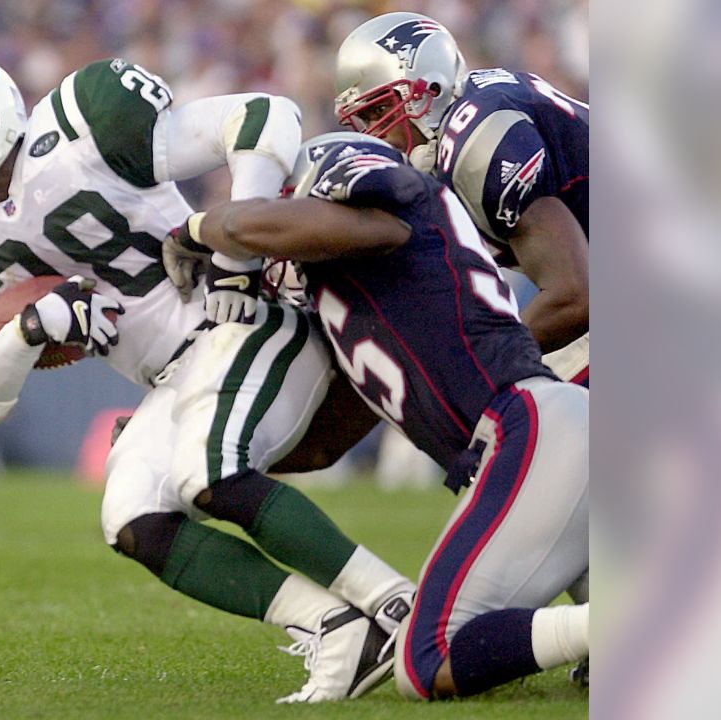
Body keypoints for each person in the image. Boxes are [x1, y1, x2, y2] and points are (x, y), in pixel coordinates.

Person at [0, 53, 414, 703]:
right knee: (133, 518)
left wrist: (237, 252)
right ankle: (337, 631)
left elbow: (262, 116)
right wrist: (30, 330)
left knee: (208, 472)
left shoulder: (82, 126)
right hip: (173, 375)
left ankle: (397, 609)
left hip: (246, 318)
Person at [164, 132, 588, 700]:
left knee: (427, 658)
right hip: (540, 440)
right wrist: (198, 437)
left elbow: (258, 226)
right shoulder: (366, 301)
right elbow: (322, 446)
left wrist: (195, 229)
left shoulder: (387, 209)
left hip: (531, 426)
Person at [333, 12, 590, 386]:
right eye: (365, 118)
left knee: (532, 425)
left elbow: (575, 298)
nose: (379, 134)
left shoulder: (477, 142)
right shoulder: (467, 118)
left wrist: (471, 370)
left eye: (382, 110)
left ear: (431, 89)